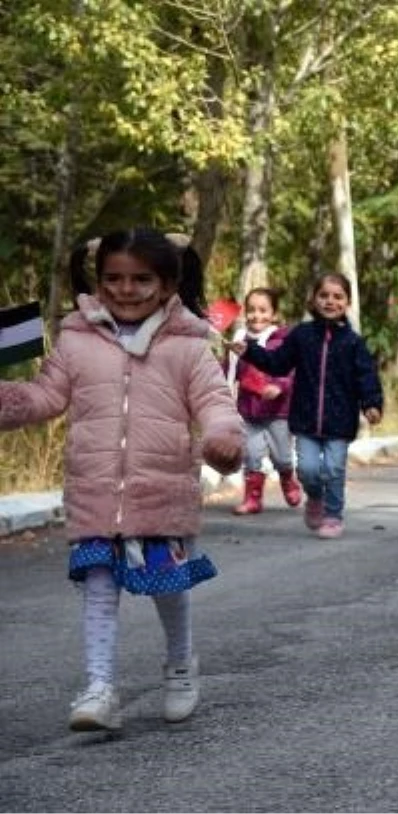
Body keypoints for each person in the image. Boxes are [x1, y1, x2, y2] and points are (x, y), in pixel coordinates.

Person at [0, 228, 244, 732]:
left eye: (140, 279)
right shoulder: (76, 338)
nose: (125, 289)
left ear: (168, 283)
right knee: (98, 586)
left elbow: (216, 404)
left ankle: (180, 666)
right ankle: (99, 687)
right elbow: (46, 396)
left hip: (161, 493)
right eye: (113, 278)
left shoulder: (188, 346)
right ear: (98, 278)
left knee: (168, 590)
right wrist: (9, 399)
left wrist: (223, 438)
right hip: (94, 491)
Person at [235, 272, 384, 540]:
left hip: (340, 421)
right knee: (308, 470)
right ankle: (315, 497)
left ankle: (333, 516)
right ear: (314, 300)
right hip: (305, 419)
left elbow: (367, 376)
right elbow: (278, 362)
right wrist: (249, 351)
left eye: (338, 296)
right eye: (324, 295)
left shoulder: (353, 342)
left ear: (347, 302)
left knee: (334, 469)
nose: (330, 301)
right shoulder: (301, 336)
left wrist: (372, 404)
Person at [226, 287, 301, 514]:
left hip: (278, 412)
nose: (257, 316)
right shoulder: (239, 341)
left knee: (282, 456)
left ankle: (288, 478)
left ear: (274, 314)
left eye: (263, 310)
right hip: (249, 411)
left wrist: (279, 386)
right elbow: (229, 370)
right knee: (252, 454)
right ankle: (253, 497)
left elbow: (292, 372)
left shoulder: (283, 341)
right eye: (251, 310)